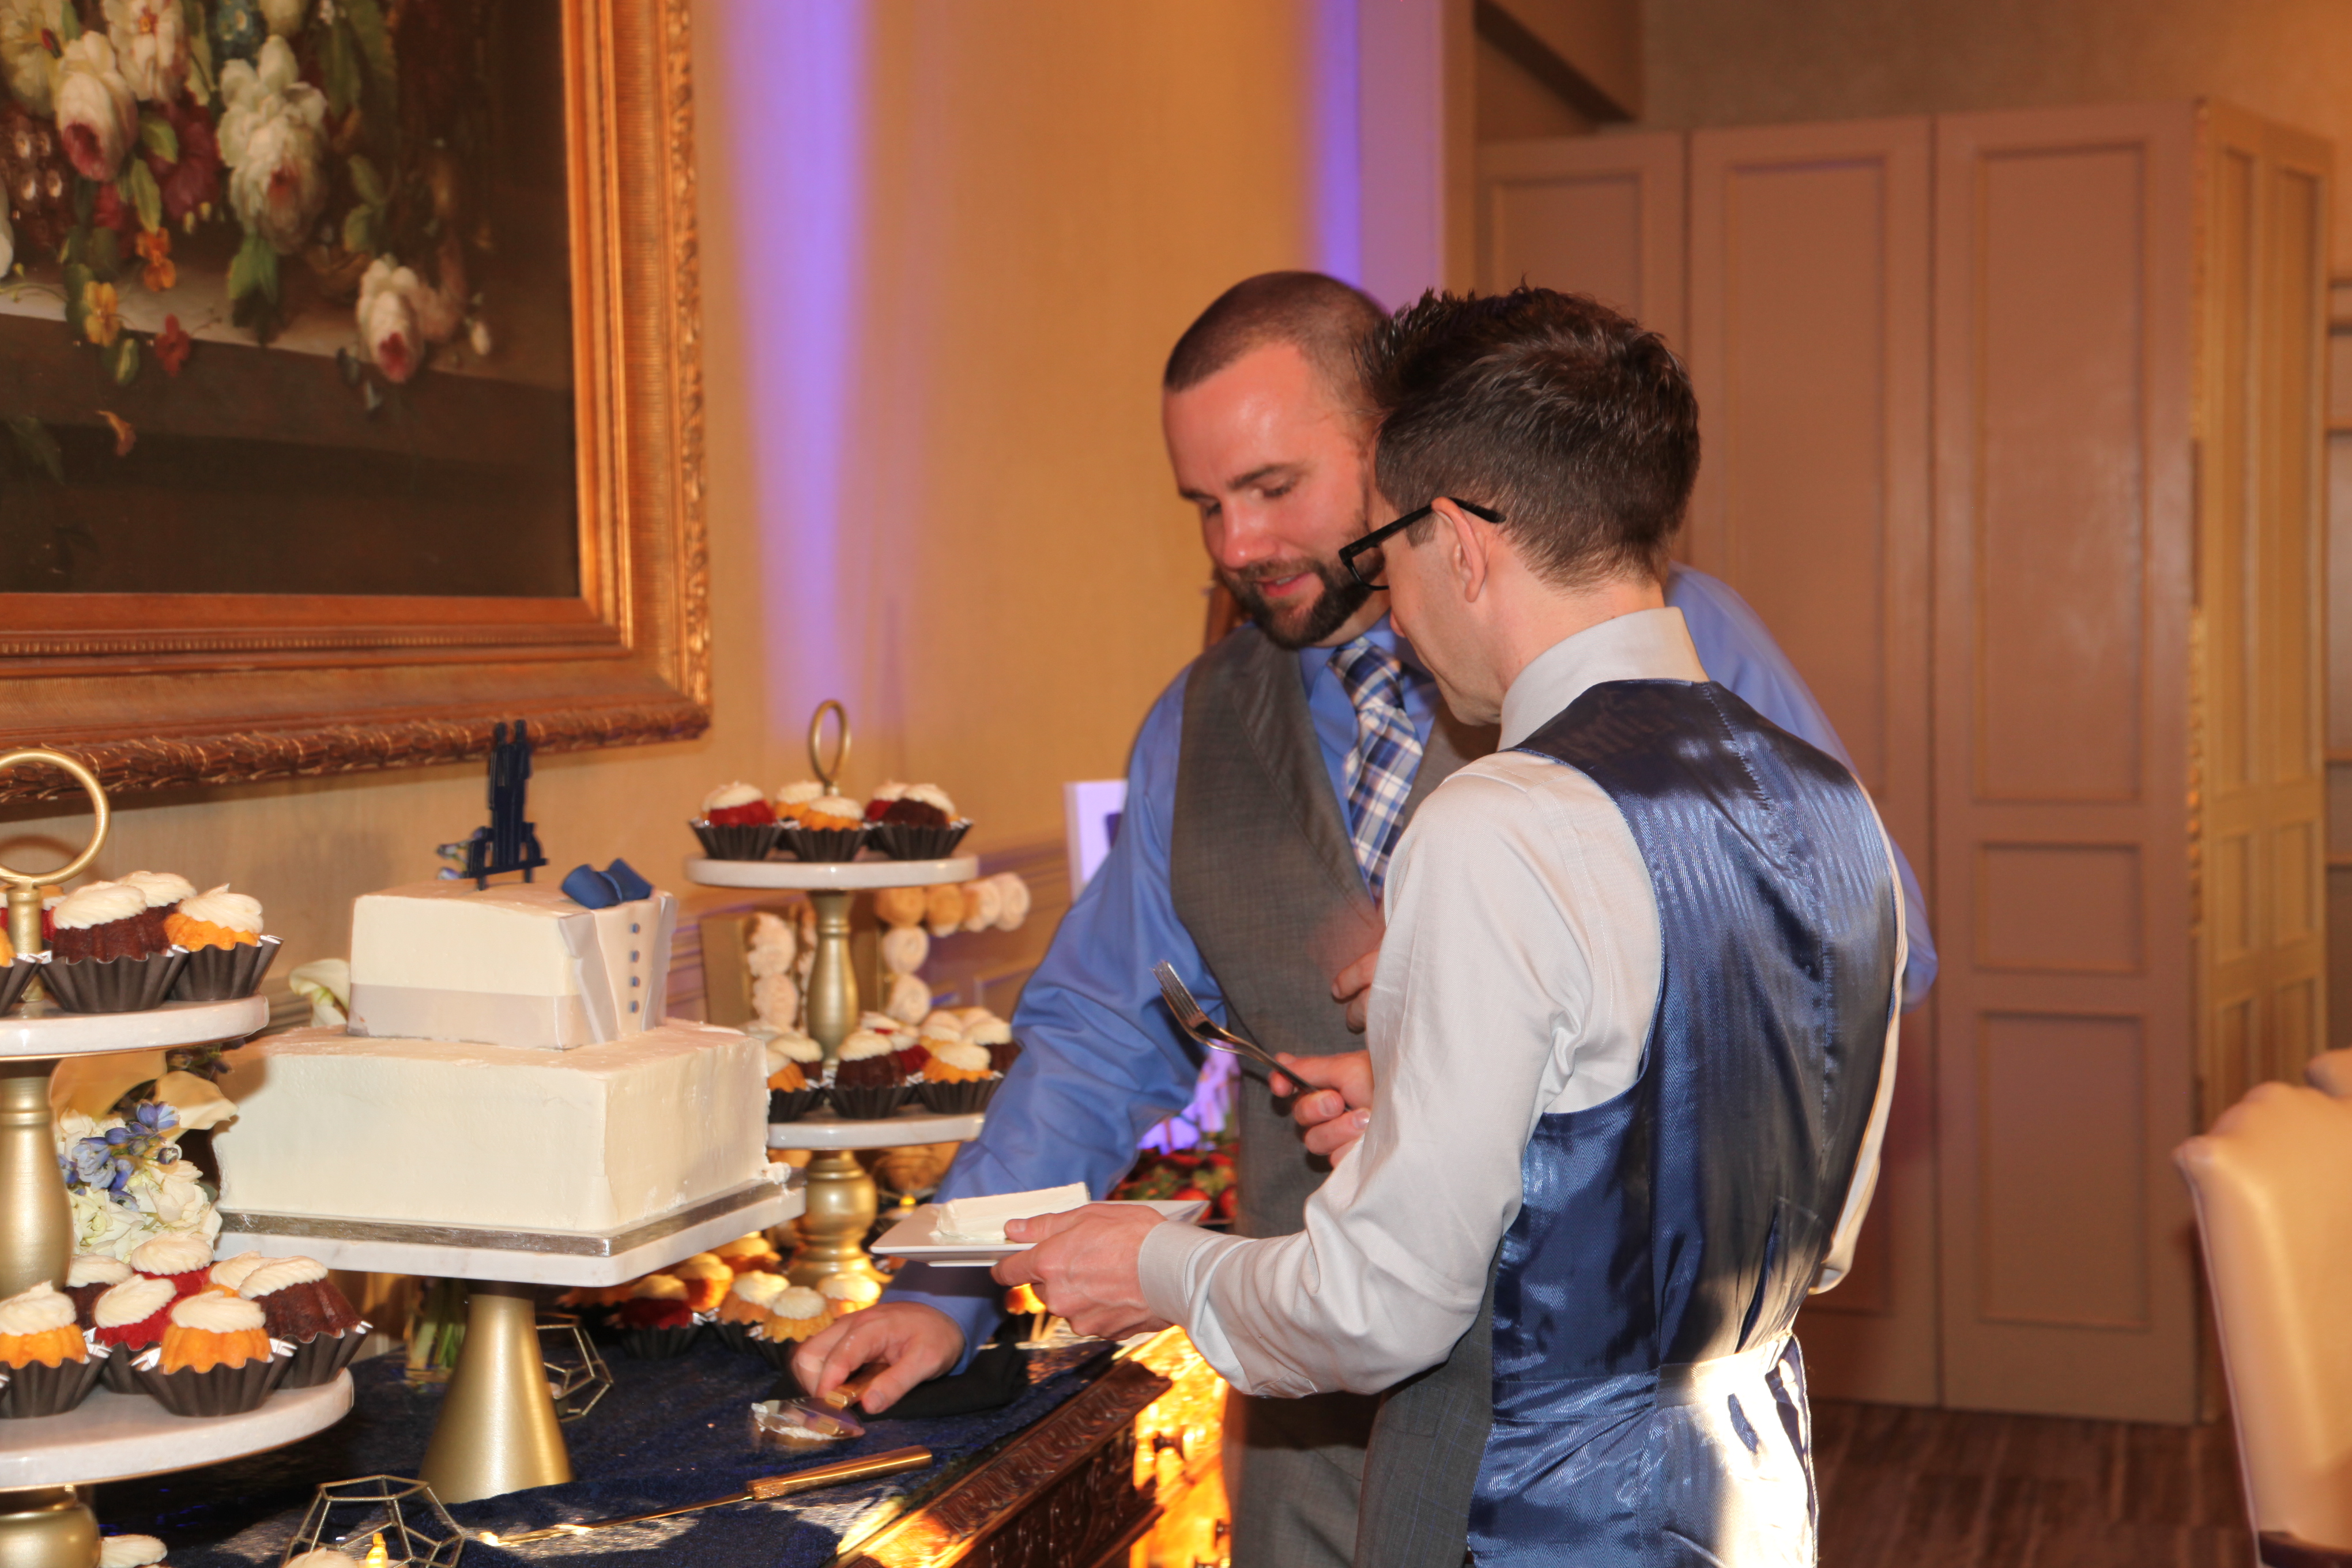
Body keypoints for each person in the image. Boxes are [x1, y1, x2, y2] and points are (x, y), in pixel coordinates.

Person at [794, 273, 1931, 1567]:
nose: (1236, 544)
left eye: (1273, 487)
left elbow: (1837, 958)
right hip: (1299, 1407)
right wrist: (945, 1287)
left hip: (1538, 1439)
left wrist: (1496, 1035)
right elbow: (1100, 1027)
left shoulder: (1665, 636)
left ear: (1400, 459)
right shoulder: (1198, 721)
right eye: (1205, 505)